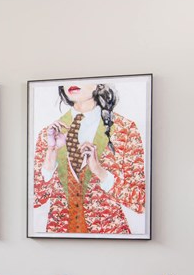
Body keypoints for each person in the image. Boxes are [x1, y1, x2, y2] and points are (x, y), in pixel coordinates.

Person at [32, 82, 145, 234]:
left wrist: (101, 173)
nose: (72, 83)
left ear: (100, 84)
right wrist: (50, 159)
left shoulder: (124, 129)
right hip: (58, 240)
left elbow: (141, 201)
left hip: (111, 238)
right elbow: (35, 199)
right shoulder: (49, 133)